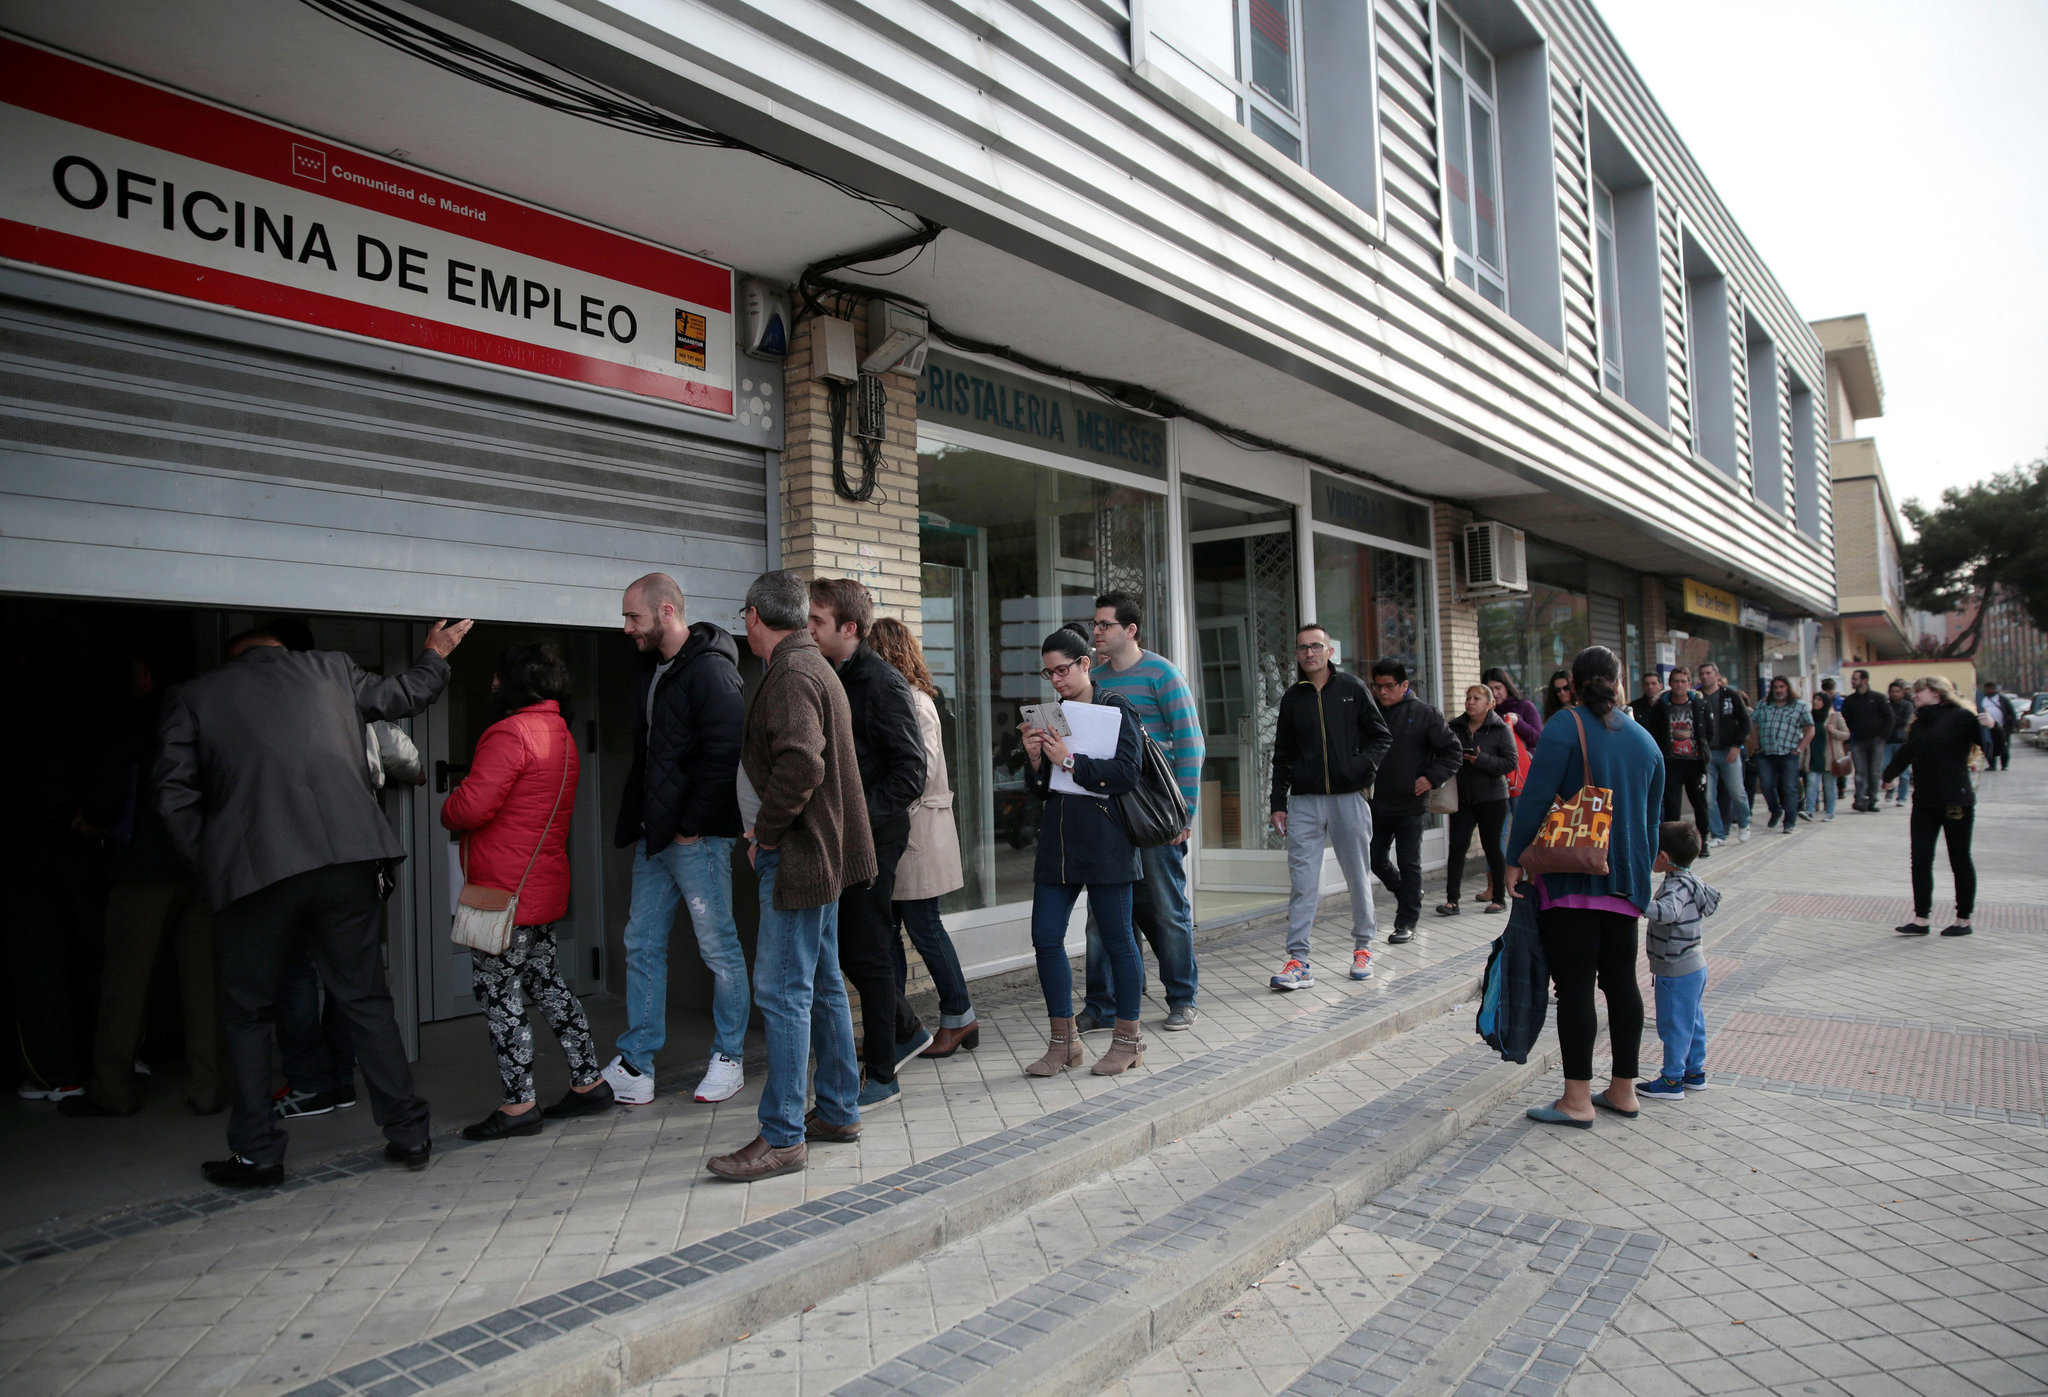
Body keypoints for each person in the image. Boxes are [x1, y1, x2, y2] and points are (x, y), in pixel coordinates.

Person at [155, 618, 470, 1187]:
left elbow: (173, 796)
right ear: (281, 652)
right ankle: (409, 1133)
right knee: (366, 999)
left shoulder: (196, 696)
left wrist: (215, 860)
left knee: (249, 1014)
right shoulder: (331, 669)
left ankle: (258, 1155)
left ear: (235, 658)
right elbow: (408, 695)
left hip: (256, 873)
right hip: (348, 863)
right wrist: (433, 653)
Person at [707, 571, 873, 1181]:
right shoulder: (810, 665)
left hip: (801, 854)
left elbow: (801, 761)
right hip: (820, 853)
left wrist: (767, 833)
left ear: (753, 616)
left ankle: (782, 1136)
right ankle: (836, 1108)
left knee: (782, 991)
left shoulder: (792, 673)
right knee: (823, 983)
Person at [441, 643, 613, 1141]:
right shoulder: (560, 731)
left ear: (514, 683)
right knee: (547, 983)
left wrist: (448, 803)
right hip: (539, 885)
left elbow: (470, 808)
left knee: (498, 994)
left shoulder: (509, 733)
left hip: (503, 892)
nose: (492, 684)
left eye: (498, 677)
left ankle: (519, 1106)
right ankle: (588, 1082)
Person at [62, 647, 223, 1119]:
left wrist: (92, 820)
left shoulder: (128, 719)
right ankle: (209, 1087)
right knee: (205, 982)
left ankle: (112, 1087)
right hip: (205, 863)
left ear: (146, 674)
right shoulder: (209, 712)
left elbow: (108, 789)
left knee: (125, 981)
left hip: (144, 863)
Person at [1505, 646, 1662, 1128]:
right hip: (1625, 880)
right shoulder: (1645, 740)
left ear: (1572, 682)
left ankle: (1576, 1101)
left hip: (1573, 874)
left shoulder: (1564, 726)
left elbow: (1534, 799)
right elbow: (1652, 821)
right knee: (1620, 984)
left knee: (1575, 986)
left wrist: (1514, 858)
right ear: (1618, 682)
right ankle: (1623, 1090)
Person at [608, 573, 747, 1109]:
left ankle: (730, 1057)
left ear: (667, 612)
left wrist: (689, 824)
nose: (626, 628)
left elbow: (725, 753)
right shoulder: (651, 668)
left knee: (718, 949)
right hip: (655, 837)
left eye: (633, 617)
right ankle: (637, 1064)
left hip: (697, 839)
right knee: (641, 943)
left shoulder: (711, 669)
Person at [808, 578, 929, 1108]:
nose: (807, 629)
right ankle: (904, 1028)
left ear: (848, 629)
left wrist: (856, 820)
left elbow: (910, 773)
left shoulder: (882, 683)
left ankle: (882, 1073)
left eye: (816, 621)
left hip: (873, 839)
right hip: (839, 837)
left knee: (869, 951)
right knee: (853, 954)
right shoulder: (828, 673)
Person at [1019, 625, 1147, 1076]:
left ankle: (1128, 1040)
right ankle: (1063, 1043)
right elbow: (1041, 790)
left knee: (1117, 940)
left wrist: (1069, 760)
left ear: (1085, 664)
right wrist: (1035, 758)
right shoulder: (1052, 714)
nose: (1056, 681)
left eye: (1063, 670)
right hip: (1058, 843)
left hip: (1108, 840)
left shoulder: (1116, 708)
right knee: (1046, 938)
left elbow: (1128, 773)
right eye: (1048, 673)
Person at [1084, 592, 1205, 1032]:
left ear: (1129, 630)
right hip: (1108, 816)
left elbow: (1192, 744)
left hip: (1155, 815)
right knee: (1103, 916)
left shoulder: (1163, 674)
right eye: (1095, 625)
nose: (1096, 632)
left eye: (1104, 625)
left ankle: (1182, 998)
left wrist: (1184, 815)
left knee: (1169, 910)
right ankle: (1104, 1004)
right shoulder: (1093, 679)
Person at [869, 618, 979, 1058]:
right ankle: (897, 1027)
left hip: (916, 831)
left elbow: (922, 771)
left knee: (924, 926)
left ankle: (960, 1017)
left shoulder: (914, 702)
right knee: (891, 929)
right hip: (905, 830)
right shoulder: (906, 699)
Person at [1268, 623, 1392, 987]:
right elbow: (1282, 754)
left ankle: (1364, 947)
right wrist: (1279, 802)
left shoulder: (1352, 689)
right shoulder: (1293, 698)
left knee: (1357, 876)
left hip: (1348, 799)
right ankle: (1298, 960)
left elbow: (1380, 737)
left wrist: (1358, 770)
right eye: (1303, 647)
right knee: (1304, 882)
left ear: (1329, 651)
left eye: (1316, 646)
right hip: (1304, 802)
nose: (1309, 653)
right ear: (1296, 654)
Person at [1885, 676, 1993, 937]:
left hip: (1956, 800)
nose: (1914, 696)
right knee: (1920, 859)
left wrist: (1993, 726)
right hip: (1924, 801)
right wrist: (1888, 775)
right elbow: (1908, 751)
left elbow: (1992, 748)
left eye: (1918, 692)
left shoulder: (1962, 717)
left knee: (1959, 859)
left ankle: (1963, 920)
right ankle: (1921, 919)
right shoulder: (1920, 722)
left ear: (1935, 692)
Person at [1367, 660, 1462, 943]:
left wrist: (1431, 778)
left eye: (1389, 686)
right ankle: (1407, 891)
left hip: (1411, 802)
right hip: (1377, 801)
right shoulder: (1370, 712)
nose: (1382, 692)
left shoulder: (1425, 714)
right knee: (1374, 858)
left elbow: (1452, 753)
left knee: (1410, 862)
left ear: (1404, 686)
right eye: (1378, 686)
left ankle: (1406, 921)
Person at [1636, 821, 1720, 1101]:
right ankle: (1694, 1073)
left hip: (1675, 970)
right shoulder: (1690, 880)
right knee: (1692, 1021)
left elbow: (1668, 911)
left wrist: (1636, 904)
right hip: (1694, 965)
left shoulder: (1676, 886)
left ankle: (1672, 1080)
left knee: (1674, 1025)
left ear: (1662, 857)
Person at [1438, 685, 1516, 917]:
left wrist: (1480, 760)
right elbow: (1443, 754)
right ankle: (1452, 900)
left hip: (1492, 798)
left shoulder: (1500, 728)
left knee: (1492, 847)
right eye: (1468, 698)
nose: (1471, 702)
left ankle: (1499, 898)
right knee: (1457, 847)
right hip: (1462, 798)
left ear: (1490, 703)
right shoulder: (1455, 727)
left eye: (1477, 698)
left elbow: (1510, 763)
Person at [1643, 667, 1713, 858]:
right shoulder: (1661, 706)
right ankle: (1673, 845)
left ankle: (1704, 840)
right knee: (1672, 806)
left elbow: (1709, 731)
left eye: (1683, 681)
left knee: (1699, 803)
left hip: (1695, 761)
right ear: (1670, 684)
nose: (1680, 685)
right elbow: (1654, 733)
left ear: (1689, 683)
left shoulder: (1700, 704)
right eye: (1676, 681)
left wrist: (1703, 752)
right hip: (1671, 762)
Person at [1695, 663, 1750, 845]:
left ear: (1717, 675)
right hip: (1707, 754)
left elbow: (1745, 721)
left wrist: (1737, 745)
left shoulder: (1730, 696)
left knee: (1737, 792)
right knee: (1708, 798)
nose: (1705, 676)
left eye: (1708, 673)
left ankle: (1744, 824)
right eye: (1702, 673)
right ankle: (1718, 835)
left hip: (1728, 752)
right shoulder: (1697, 697)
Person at [1753, 676, 1814, 833]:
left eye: (1782, 687)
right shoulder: (1763, 705)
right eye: (1776, 688)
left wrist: (1799, 748)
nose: (1779, 690)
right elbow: (1755, 724)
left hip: (1788, 753)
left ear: (1788, 688)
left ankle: (1789, 822)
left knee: (1789, 788)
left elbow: (1810, 729)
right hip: (1766, 753)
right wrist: (1756, 745)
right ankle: (1775, 810)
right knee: (1766, 785)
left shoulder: (1799, 706)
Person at [1841, 669, 1892, 812]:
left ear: (1864, 680)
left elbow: (1889, 718)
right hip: (1858, 741)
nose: (1852, 681)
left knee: (1874, 772)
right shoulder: (1849, 701)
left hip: (1876, 740)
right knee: (1860, 772)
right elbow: (1845, 722)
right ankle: (1860, 800)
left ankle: (1873, 800)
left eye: (1855, 679)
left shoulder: (1878, 698)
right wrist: (1846, 741)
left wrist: (1882, 735)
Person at [1804, 690, 1849, 821]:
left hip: (1829, 758)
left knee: (1829, 786)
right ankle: (1809, 810)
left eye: (1819, 699)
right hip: (1813, 756)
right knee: (1811, 783)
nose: (1815, 702)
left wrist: (1832, 731)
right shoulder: (1809, 717)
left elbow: (1846, 734)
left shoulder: (1834, 716)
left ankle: (1830, 812)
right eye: (1814, 699)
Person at [1482, 667, 1543, 746]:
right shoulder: (1485, 711)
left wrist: (1518, 723)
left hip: (1523, 756)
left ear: (1506, 686)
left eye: (1498, 688)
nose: (1495, 694)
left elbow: (1538, 739)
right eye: (1490, 690)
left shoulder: (1525, 706)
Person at [1881, 679, 1915, 806]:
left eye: (1897, 691)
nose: (1895, 694)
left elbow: (1905, 721)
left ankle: (1902, 797)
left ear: (1902, 692)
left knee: (1904, 772)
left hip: (1902, 741)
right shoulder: (1886, 705)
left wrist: (1891, 722)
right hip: (1887, 741)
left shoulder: (1907, 705)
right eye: (1892, 691)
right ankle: (1890, 787)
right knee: (1885, 767)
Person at [1979, 681, 2018, 772]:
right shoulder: (1982, 700)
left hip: (2003, 728)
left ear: (1995, 689)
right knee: (1990, 746)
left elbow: (2011, 712)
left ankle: (2004, 765)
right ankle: (1992, 765)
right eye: (1987, 688)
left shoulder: (2002, 700)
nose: (1989, 690)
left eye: (1991, 688)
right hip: (1988, 728)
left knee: (2004, 747)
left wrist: (2013, 725)